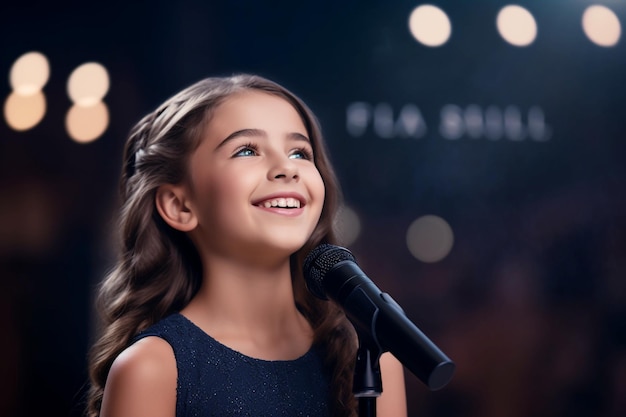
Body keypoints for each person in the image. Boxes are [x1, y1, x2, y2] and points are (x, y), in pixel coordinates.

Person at [86, 74, 407, 417]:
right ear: (179, 206)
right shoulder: (152, 368)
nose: (287, 168)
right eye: (247, 150)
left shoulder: (368, 358)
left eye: (300, 152)